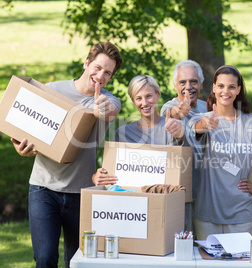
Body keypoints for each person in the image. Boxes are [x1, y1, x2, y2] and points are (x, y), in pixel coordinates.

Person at [11, 42, 122, 268]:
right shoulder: (52, 90)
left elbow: (111, 110)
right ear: (86, 63)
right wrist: (18, 145)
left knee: (77, 260)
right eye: (98, 67)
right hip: (43, 188)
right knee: (44, 258)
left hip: (81, 193)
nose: (100, 76)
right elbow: (24, 125)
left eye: (108, 73)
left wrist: (104, 108)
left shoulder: (107, 100)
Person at [188, 65, 252, 240]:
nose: (225, 91)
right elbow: (197, 129)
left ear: (238, 90)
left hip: (242, 215)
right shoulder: (201, 119)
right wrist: (206, 125)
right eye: (220, 86)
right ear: (213, 87)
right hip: (207, 216)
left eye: (231, 87)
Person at [92, 74, 185, 186]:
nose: (144, 103)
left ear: (158, 95)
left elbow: (182, 165)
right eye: (139, 98)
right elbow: (111, 171)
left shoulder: (172, 127)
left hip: (163, 198)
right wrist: (96, 177)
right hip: (132, 197)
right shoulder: (123, 133)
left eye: (149, 96)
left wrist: (180, 132)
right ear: (133, 100)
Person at [160, 60, 208, 233]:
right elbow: (171, 114)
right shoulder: (169, 107)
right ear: (175, 86)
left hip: (206, 192)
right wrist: (178, 113)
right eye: (182, 82)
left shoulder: (206, 107)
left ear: (201, 84)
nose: (188, 87)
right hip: (182, 192)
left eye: (193, 81)